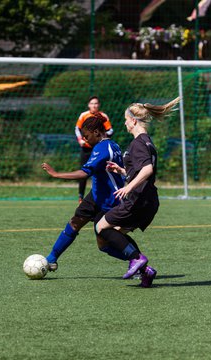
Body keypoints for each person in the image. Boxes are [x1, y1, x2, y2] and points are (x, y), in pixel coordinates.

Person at [96, 97, 180, 287]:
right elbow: (141, 170)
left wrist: (128, 187)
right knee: (115, 234)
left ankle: (137, 259)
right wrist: (122, 171)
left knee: (101, 228)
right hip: (148, 200)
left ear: (133, 120)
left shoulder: (138, 143)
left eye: (126, 119)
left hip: (138, 198)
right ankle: (145, 272)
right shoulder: (146, 141)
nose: (125, 122)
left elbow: (148, 169)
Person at [42, 115, 133, 271]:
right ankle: (51, 259)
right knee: (75, 222)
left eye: (87, 136)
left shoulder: (103, 148)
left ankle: (137, 260)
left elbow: (85, 173)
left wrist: (57, 174)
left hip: (109, 200)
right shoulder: (112, 145)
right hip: (96, 195)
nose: (84, 139)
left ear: (96, 132)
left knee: (103, 244)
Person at [75, 96, 114, 203]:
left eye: (96, 103)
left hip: (98, 148)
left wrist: (102, 136)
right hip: (86, 149)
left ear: (99, 105)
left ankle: (101, 195)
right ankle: (80, 196)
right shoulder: (84, 115)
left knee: (100, 172)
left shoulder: (102, 116)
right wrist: (80, 140)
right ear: (88, 105)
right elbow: (77, 129)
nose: (94, 105)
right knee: (84, 172)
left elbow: (110, 131)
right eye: (92, 103)